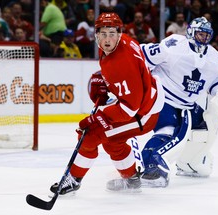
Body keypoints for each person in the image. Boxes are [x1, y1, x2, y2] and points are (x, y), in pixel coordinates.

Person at [50, 12, 164, 194]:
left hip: (143, 112)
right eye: (103, 34)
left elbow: (129, 108)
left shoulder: (122, 63)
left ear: (119, 33)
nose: (107, 39)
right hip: (145, 99)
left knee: (90, 134)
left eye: (112, 33)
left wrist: (100, 117)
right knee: (113, 142)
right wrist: (106, 81)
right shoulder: (122, 41)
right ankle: (132, 180)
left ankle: (73, 180)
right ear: (96, 34)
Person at [139, 17, 218, 187]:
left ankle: (189, 163)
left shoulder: (212, 55)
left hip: (187, 105)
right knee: (169, 132)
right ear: (190, 32)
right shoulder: (175, 44)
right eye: (200, 34)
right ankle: (148, 164)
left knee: (206, 125)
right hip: (163, 99)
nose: (203, 38)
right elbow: (143, 55)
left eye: (206, 35)